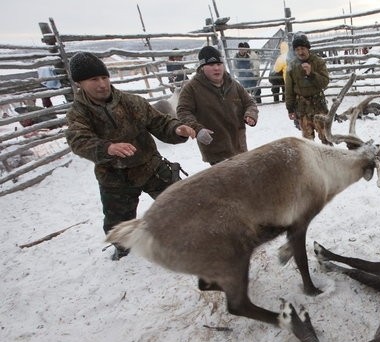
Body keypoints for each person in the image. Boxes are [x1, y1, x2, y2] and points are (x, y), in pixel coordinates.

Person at [65, 52, 196, 261]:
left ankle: (193, 236)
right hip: (115, 176)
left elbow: (160, 122)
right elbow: (78, 140)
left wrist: (176, 129)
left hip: (150, 166)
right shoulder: (78, 114)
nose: (102, 84)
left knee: (182, 202)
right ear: (80, 83)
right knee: (118, 227)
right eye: (94, 79)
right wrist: (107, 148)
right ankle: (124, 254)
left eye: (104, 77)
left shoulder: (131, 102)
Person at [177, 45, 259, 166]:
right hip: (216, 150)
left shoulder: (233, 84)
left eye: (219, 64)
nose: (216, 68)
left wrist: (250, 114)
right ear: (202, 67)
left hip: (239, 146)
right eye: (211, 65)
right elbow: (183, 111)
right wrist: (197, 129)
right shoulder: (192, 88)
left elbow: (250, 103)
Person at [285, 33, 332, 145]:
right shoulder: (291, 66)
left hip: (318, 106)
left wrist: (312, 74)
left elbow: (324, 83)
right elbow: (289, 90)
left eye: (302, 48)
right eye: (297, 49)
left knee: (326, 138)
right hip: (302, 108)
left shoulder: (318, 62)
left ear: (307, 48)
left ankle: (330, 160)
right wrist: (290, 109)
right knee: (308, 143)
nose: (300, 52)